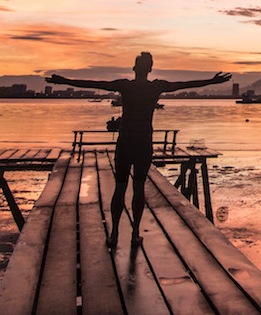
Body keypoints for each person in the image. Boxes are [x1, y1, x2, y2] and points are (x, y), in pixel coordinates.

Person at [47, 54, 231, 248]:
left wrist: (65, 81)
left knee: (120, 187)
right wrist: (212, 80)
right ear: (150, 69)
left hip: (125, 141)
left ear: (134, 68)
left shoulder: (125, 86)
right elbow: (185, 85)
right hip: (143, 142)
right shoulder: (156, 87)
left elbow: (95, 84)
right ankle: (135, 233)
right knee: (138, 187)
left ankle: (114, 234)